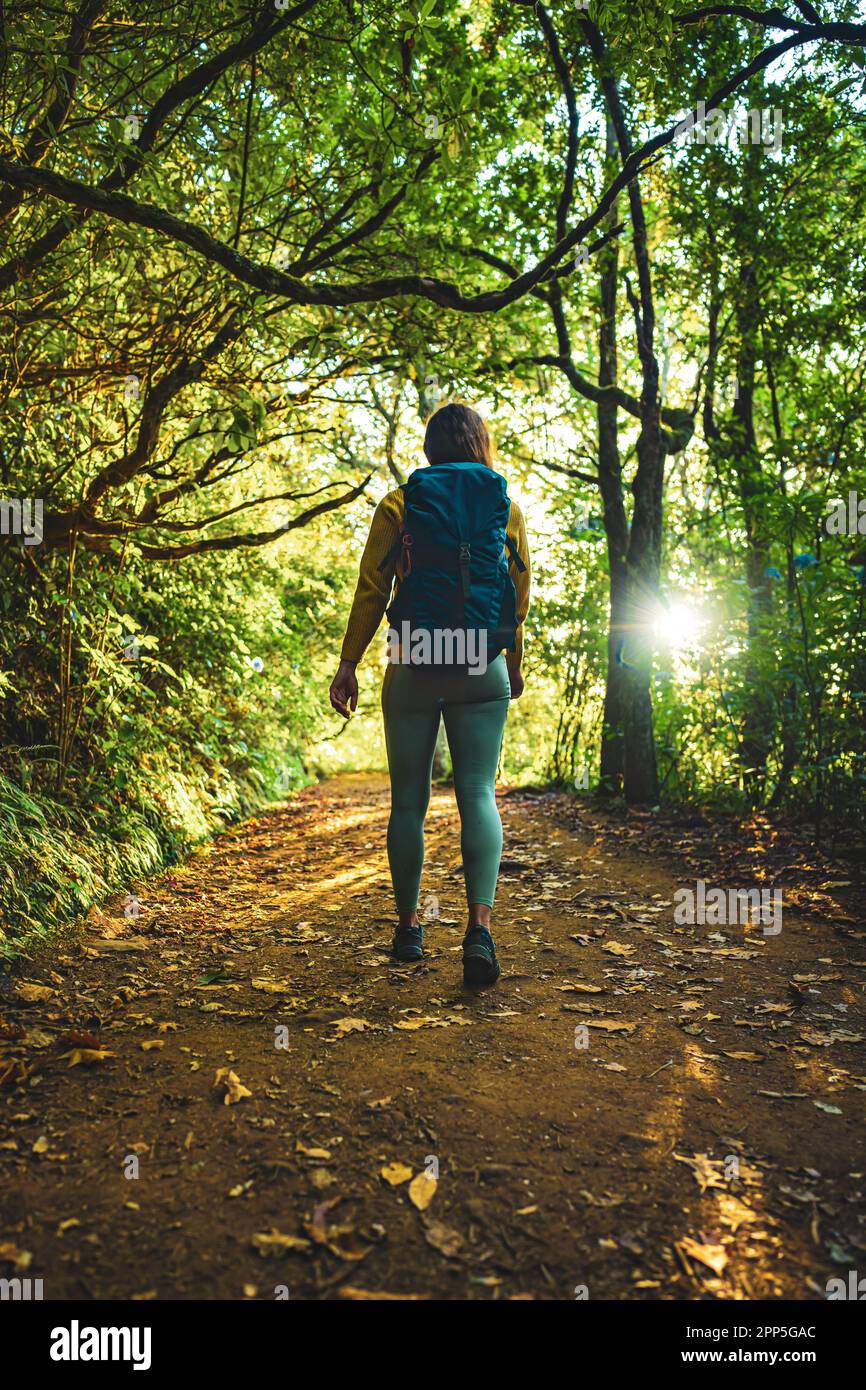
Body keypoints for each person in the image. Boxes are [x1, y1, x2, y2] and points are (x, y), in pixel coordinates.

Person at [329, 402, 531, 987]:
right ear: (481, 445)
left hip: (415, 658)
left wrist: (349, 664)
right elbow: (517, 598)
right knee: (477, 793)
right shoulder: (505, 505)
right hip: (479, 663)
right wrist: (512, 664)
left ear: (429, 448)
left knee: (409, 800)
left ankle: (411, 927)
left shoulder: (400, 503)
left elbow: (372, 588)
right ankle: (479, 930)